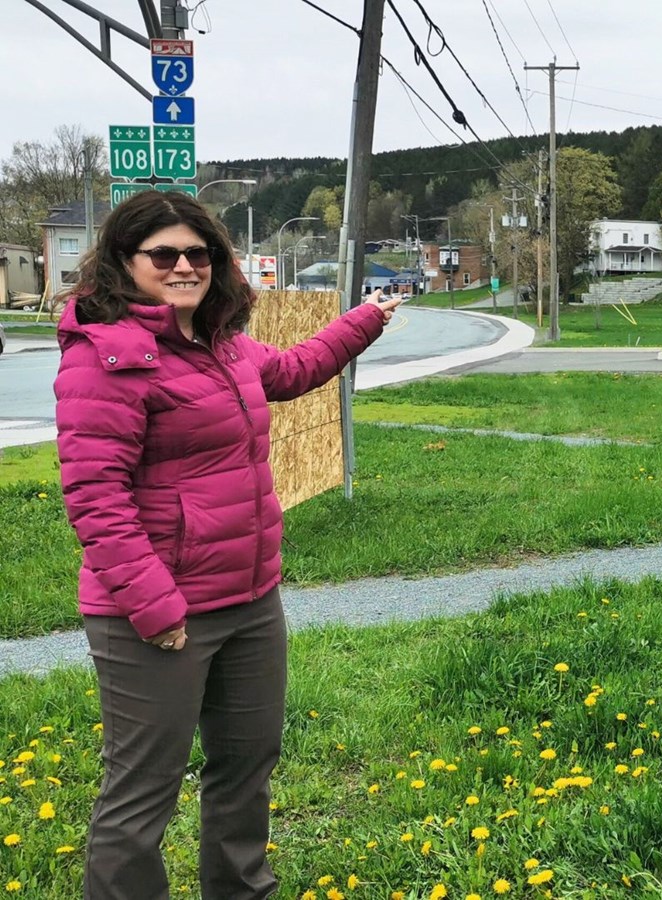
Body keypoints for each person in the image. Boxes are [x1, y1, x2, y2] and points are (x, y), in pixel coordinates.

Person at [53, 190, 401, 898]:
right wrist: (157, 608)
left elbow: (294, 371)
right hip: (157, 617)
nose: (184, 265)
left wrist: (364, 320)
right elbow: (95, 499)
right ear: (125, 262)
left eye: (198, 253)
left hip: (248, 601)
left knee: (246, 771)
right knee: (141, 795)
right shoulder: (105, 358)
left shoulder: (221, 345)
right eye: (164, 254)